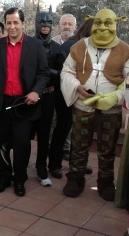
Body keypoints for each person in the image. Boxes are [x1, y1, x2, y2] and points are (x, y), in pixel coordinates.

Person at [0, 7, 49, 197]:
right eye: (8, 23)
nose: (12, 26)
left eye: (15, 22)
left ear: (23, 24)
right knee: (0, 143)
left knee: (21, 144)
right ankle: (3, 178)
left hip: (24, 104)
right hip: (0, 103)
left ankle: (19, 179)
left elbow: (44, 73)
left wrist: (36, 91)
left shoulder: (35, 46)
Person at [61, 9, 129, 201]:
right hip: (83, 105)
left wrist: (115, 97)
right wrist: (76, 87)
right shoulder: (79, 46)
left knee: (107, 147)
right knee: (79, 144)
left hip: (111, 110)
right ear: (92, 23)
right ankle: (75, 178)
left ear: (116, 24)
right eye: (98, 23)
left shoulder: (125, 49)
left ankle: (106, 182)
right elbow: (67, 71)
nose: (102, 27)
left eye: (108, 23)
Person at [49, 19, 94, 180]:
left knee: (80, 130)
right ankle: (54, 165)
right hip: (65, 95)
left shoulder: (91, 47)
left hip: (82, 95)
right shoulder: (70, 46)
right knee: (63, 128)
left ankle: (78, 163)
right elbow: (62, 72)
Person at [31, 5, 66, 186]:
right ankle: (19, 166)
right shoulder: (28, 44)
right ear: (36, 23)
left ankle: (41, 168)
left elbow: (62, 73)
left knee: (44, 135)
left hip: (48, 95)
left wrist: (45, 72)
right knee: (23, 134)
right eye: (42, 22)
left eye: (49, 22)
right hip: (29, 96)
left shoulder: (57, 48)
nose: (45, 25)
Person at [51, 13, 77, 161]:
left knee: (66, 121)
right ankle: (51, 147)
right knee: (53, 120)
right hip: (53, 89)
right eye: (64, 23)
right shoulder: (52, 42)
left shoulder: (78, 45)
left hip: (70, 89)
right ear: (59, 25)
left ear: (75, 27)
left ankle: (65, 149)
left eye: (70, 24)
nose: (66, 26)